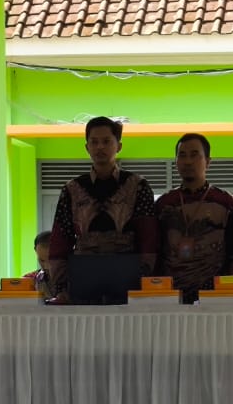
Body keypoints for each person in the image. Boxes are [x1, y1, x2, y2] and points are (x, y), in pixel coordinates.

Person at [46, 117, 158, 301]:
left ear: (118, 146)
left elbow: (149, 239)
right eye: (94, 142)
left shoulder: (138, 186)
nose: (100, 147)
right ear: (87, 147)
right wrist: (61, 287)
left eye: (106, 141)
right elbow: (60, 240)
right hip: (83, 274)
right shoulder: (72, 189)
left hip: (129, 275)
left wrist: (146, 282)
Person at [155, 133, 233, 301]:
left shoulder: (226, 202)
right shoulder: (164, 204)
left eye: (194, 155)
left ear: (208, 162)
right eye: (182, 155)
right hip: (171, 297)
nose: (188, 161)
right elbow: (155, 253)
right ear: (176, 162)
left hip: (215, 296)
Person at [24, 231, 54, 298]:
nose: (46, 267)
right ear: (35, 251)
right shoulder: (29, 280)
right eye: (42, 260)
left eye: (51, 261)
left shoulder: (73, 281)